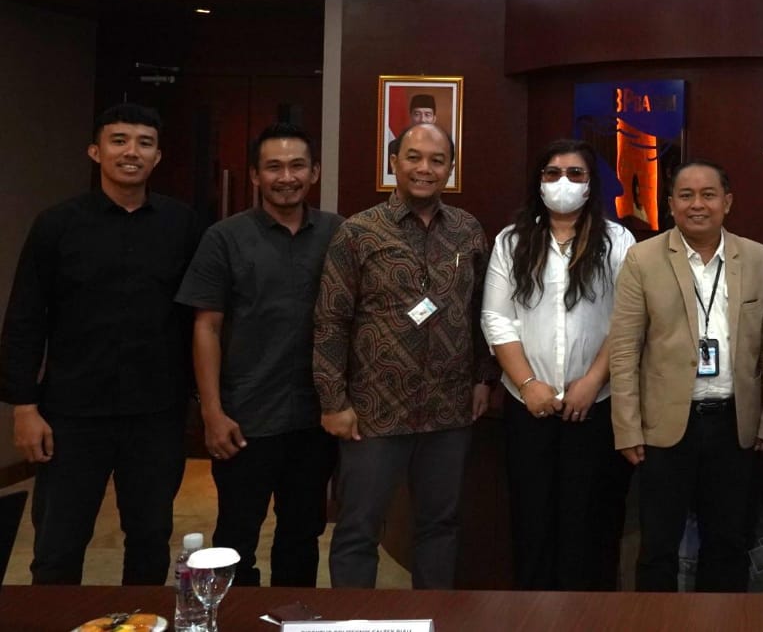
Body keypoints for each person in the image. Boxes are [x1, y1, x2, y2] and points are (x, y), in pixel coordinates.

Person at [0, 103, 201, 585]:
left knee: (150, 540)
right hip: (71, 411)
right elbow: (25, 317)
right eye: (119, 140)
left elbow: (202, 320)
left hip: (156, 411)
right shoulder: (56, 225)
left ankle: (141, 619)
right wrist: (24, 406)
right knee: (58, 545)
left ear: (157, 156)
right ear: (96, 151)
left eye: (144, 143)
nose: (131, 152)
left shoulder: (184, 225)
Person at [313, 121, 494, 590]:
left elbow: (481, 311)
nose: (424, 168)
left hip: (448, 410)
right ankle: (353, 621)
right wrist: (333, 402)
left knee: (440, 526)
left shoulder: (468, 231)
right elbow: (331, 320)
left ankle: (432, 615)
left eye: (437, 160)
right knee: (358, 529)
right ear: (394, 162)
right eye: (413, 157)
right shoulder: (358, 232)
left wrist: (482, 378)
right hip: (374, 411)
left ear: (450, 169)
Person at [176, 123, 341, 587]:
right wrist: (211, 413)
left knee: (302, 535)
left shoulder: (338, 233)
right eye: (274, 167)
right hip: (245, 418)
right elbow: (206, 327)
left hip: (314, 418)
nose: (286, 177)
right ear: (254, 175)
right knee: (235, 537)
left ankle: (292, 615)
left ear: (314, 171)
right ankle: (233, 617)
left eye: (296, 166)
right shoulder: (224, 238)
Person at [610, 159, 763, 592]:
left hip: (734, 425)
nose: (697, 204)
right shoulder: (642, 258)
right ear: (670, 204)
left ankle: (721, 622)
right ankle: (657, 623)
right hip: (665, 428)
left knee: (728, 545)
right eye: (685, 195)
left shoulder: (760, 259)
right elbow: (624, 349)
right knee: (658, 548)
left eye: (708, 195)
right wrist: (627, 427)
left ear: (728, 202)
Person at [481, 138, 635, 590]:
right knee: (532, 521)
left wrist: (593, 381)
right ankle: (534, 614)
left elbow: (627, 319)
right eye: (552, 173)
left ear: (591, 184)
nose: (562, 182)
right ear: (538, 181)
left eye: (575, 173)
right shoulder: (512, 241)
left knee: (591, 522)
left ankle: (590, 616)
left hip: (596, 405)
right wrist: (528, 383)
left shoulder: (617, 240)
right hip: (528, 405)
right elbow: (496, 317)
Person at [387, 93, 437, 161]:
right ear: (410, 117)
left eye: (427, 115)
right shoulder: (395, 146)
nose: (422, 119)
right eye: (417, 114)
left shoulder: (442, 146)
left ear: (434, 119)